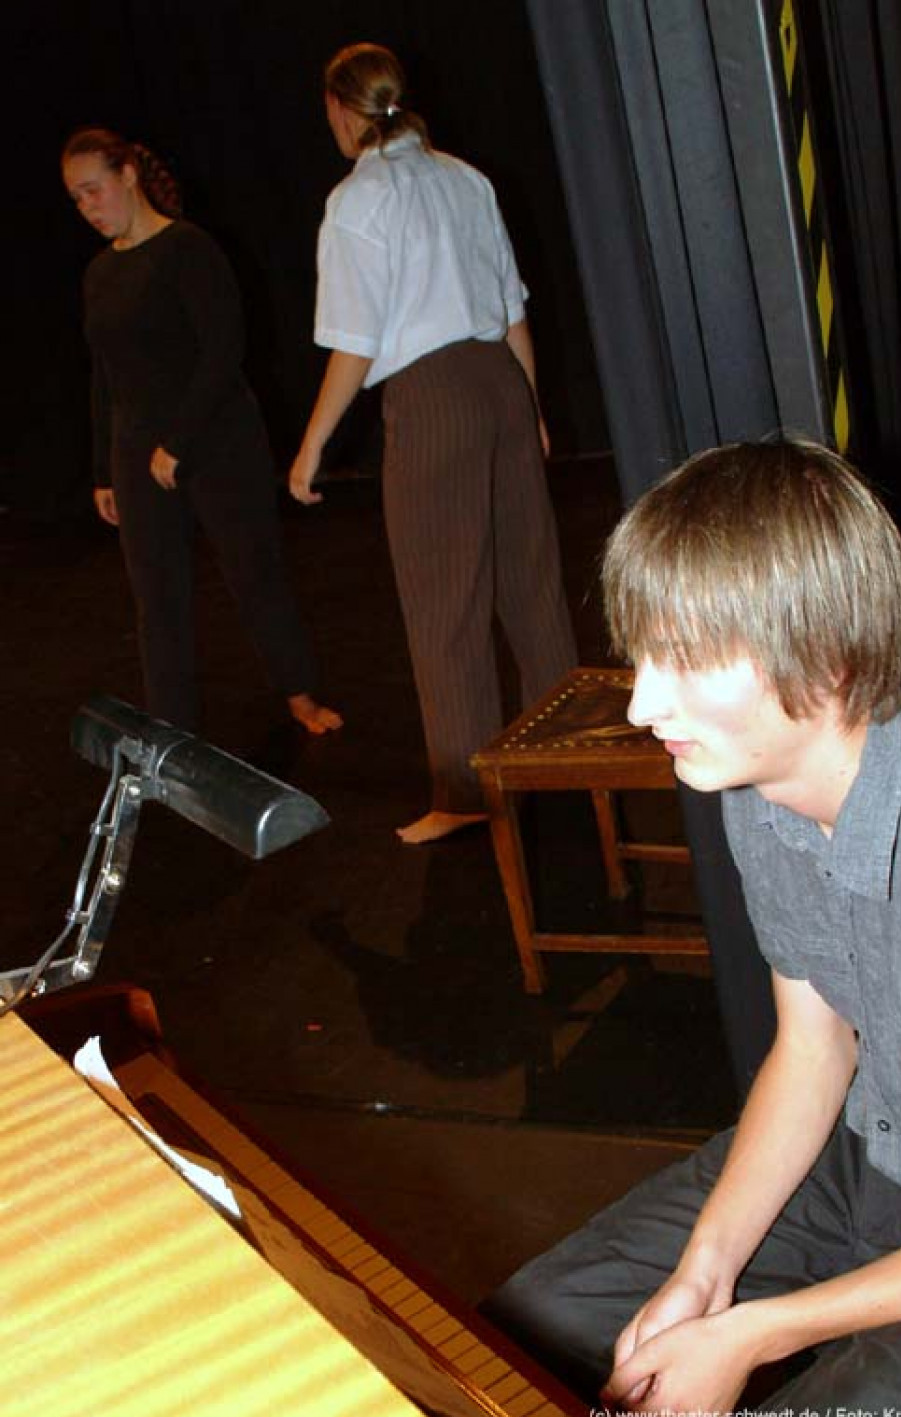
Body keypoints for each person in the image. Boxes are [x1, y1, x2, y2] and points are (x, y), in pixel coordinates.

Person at [487, 438, 901, 1417]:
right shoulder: (756, 786)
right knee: (529, 1332)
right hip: (871, 1152)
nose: (641, 703)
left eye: (689, 659)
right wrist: (705, 1274)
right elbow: (814, 1045)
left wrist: (758, 1328)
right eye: (643, 654)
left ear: (828, 658)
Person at [289, 43, 576, 844]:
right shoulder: (465, 178)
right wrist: (530, 405)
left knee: (443, 603)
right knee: (531, 582)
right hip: (498, 381)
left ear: (339, 108)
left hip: (433, 397)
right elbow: (511, 306)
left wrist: (311, 445)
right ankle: (567, 760)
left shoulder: (358, 200)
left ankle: (465, 792)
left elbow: (355, 340)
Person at [62, 126, 341, 737]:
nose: (87, 208)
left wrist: (178, 443)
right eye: (76, 198)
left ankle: (299, 693)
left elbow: (223, 351)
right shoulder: (99, 274)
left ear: (128, 176)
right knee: (156, 597)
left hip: (216, 438)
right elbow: (104, 376)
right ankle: (172, 732)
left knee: (253, 573)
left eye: (93, 190)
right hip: (138, 450)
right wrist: (104, 470)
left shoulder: (188, 248)